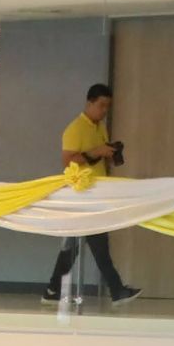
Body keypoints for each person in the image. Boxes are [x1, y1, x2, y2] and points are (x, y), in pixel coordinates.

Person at [42, 85, 136, 303]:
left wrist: (108, 154)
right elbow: (68, 161)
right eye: (101, 105)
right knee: (97, 244)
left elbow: (95, 158)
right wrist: (96, 152)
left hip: (97, 193)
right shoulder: (74, 129)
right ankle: (117, 290)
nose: (104, 111)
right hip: (82, 196)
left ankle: (53, 290)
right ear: (89, 103)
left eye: (107, 106)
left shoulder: (100, 127)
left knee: (74, 247)